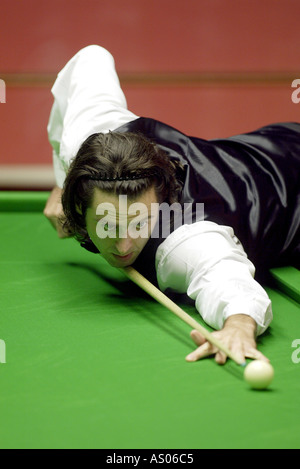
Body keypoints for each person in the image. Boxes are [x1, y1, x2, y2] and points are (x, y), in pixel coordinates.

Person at [44, 45, 300, 365]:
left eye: (140, 224)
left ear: (161, 201)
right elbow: (90, 58)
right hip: (267, 147)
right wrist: (62, 181)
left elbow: (224, 276)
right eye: (108, 226)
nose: (124, 245)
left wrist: (237, 324)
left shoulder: (183, 238)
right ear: (80, 205)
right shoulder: (92, 133)